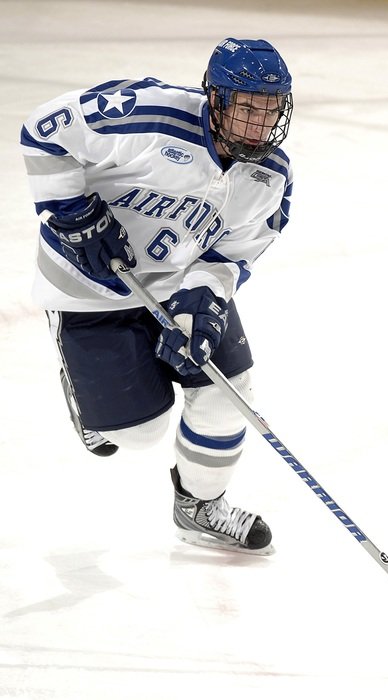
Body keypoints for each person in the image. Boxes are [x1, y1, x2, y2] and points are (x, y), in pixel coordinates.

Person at [20, 38, 294, 555]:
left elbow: (232, 254)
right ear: (215, 99)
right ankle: (86, 399)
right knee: (139, 434)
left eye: (270, 110)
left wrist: (204, 303)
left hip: (173, 284)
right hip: (89, 284)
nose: (259, 125)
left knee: (229, 391)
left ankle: (200, 507)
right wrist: (74, 213)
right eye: (247, 108)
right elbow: (43, 130)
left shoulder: (269, 177)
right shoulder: (150, 116)